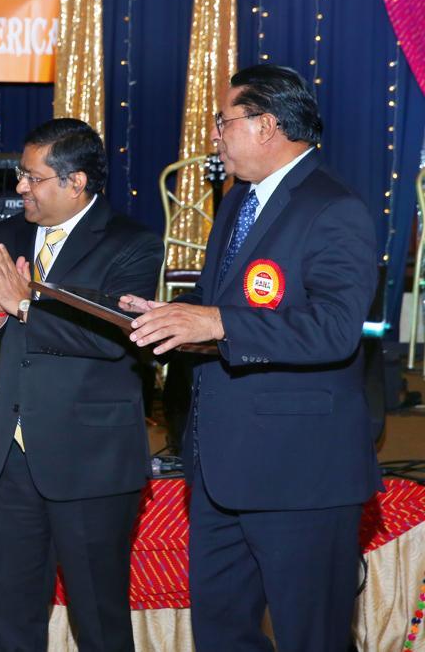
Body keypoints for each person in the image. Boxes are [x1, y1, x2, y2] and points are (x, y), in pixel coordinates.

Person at [121, 64, 380, 652]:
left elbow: (336, 329)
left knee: (308, 637)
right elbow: (226, 306)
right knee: (222, 634)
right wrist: (173, 315)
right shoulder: (239, 200)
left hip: (299, 476)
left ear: (265, 125)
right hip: (219, 468)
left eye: (223, 121)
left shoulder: (334, 207)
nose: (214, 135)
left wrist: (214, 323)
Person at [0, 118, 164, 651]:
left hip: (92, 461)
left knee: (98, 620)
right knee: (13, 620)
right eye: (20, 175)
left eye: (33, 177)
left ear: (75, 184)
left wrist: (23, 304)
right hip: (13, 458)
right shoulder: (7, 235)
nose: (20, 187)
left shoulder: (130, 243)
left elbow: (117, 338)